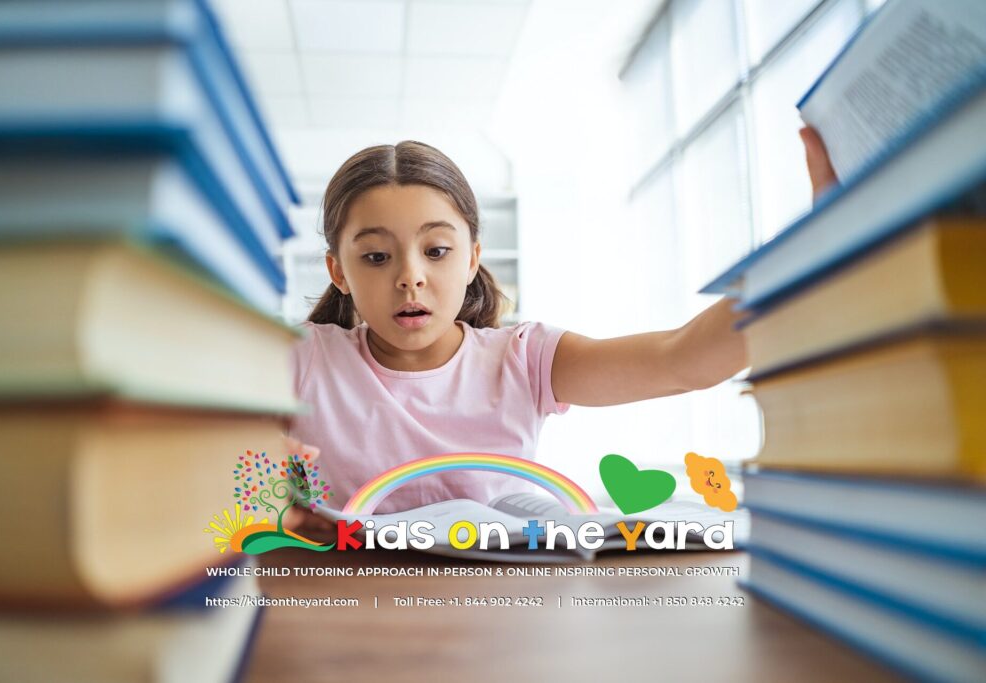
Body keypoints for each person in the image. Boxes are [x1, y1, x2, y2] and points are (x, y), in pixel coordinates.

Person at [285, 127, 838, 533]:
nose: (411, 277)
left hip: (508, 610)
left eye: (436, 250)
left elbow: (683, 360)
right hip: (353, 605)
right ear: (339, 271)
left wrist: (818, 245)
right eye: (377, 256)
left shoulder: (523, 358)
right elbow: (233, 474)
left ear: (473, 258)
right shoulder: (303, 359)